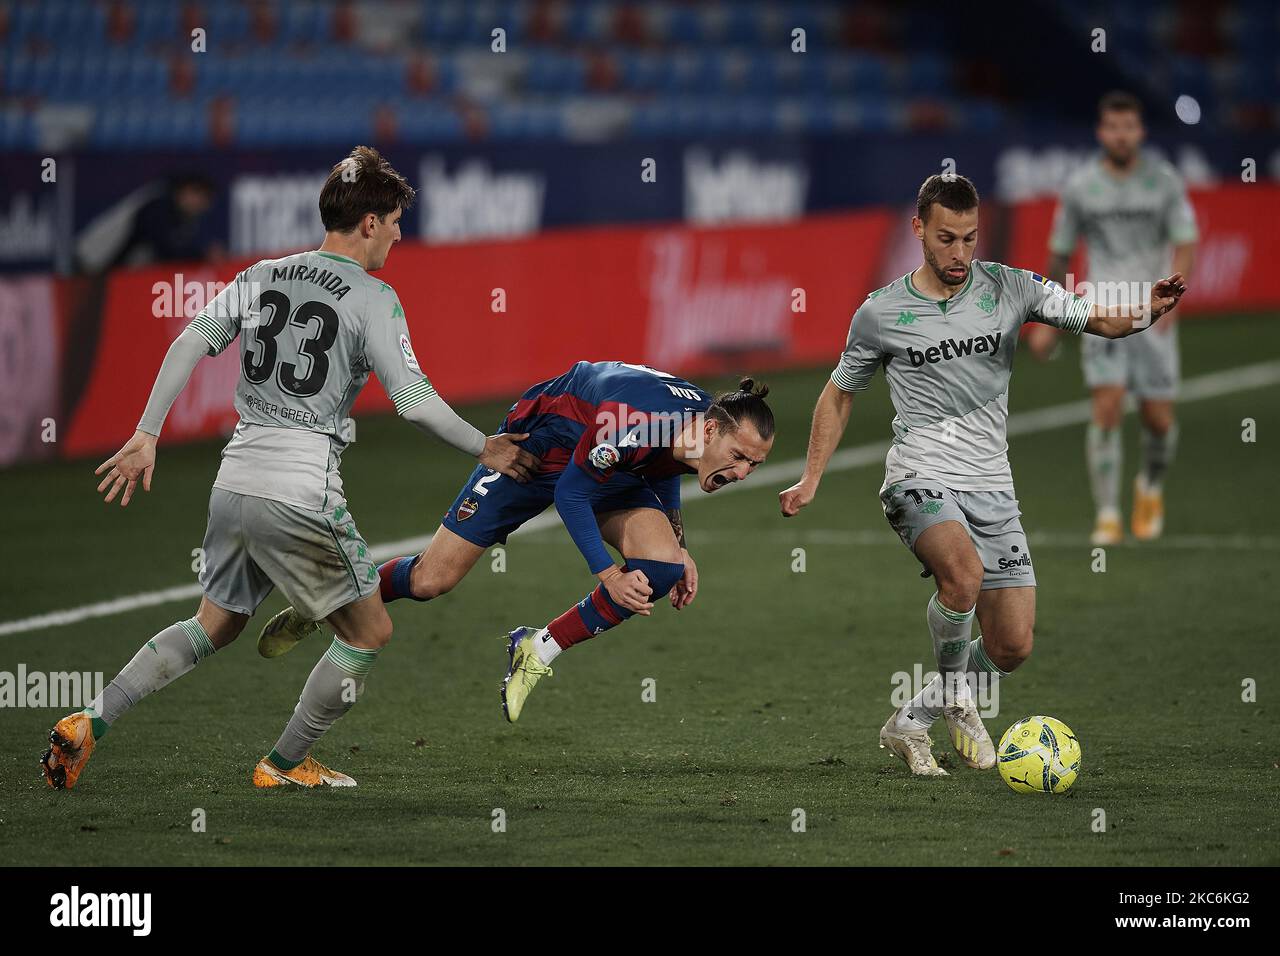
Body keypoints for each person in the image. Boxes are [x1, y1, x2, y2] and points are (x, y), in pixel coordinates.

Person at [41, 146, 537, 791]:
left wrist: (146, 432)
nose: (397, 233)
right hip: (301, 489)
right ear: (367, 223)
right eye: (392, 221)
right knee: (368, 632)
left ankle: (90, 720)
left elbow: (190, 339)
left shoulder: (262, 274)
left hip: (234, 482)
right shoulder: (374, 298)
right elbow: (414, 403)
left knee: (213, 624)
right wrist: (488, 449)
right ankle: (282, 763)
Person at [778, 173, 1185, 776]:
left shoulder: (1011, 287)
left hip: (992, 482)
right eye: (946, 239)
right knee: (961, 578)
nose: (960, 254)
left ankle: (912, 717)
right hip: (918, 472)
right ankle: (959, 698)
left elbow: (1093, 317)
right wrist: (812, 478)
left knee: (1012, 645)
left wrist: (1145, 311)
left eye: (969, 238)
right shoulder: (881, 312)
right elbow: (839, 393)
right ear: (919, 230)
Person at [257, 361, 775, 723]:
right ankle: (327, 601)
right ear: (711, 430)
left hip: (597, 462)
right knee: (431, 579)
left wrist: (680, 545)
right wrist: (608, 575)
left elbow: (663, 469)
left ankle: (537, 647)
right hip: (535, 450)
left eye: (755, 463)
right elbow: (572, 495)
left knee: (660, 566)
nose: (744, 471)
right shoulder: (639, 422)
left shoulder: (692, 432)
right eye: (738, 455)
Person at [1025, 91, 1199, 544]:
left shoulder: (1164, 181)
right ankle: (1106, 515)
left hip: (1154, 308)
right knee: (1105, 409)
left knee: (1158, 419)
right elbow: (1059, 253)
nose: (1121, 135)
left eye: (1129, 126)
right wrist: (1046, 320)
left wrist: (1176, 298)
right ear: (1102, 132)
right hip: (1101, 308)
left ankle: (1151, 486)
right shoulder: (1082, 186)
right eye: (1112, 127)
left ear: (1139, 131)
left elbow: (1185, 240)